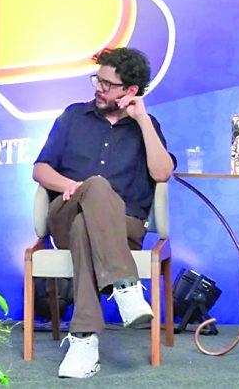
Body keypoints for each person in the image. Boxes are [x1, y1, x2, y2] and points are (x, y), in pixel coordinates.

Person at [33, 47, 175, 378]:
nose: (99, 88)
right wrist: (73, 186)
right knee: (93, 188)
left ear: (131, 91)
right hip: (64, 213)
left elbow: (162, 173)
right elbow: (40, 169)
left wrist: (142, 119)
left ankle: (83, 340)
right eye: (98, 79)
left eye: (109, 84)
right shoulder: (73, 116)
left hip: (123, 228)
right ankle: (125, 287)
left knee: (88, 226)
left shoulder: (147, 125)